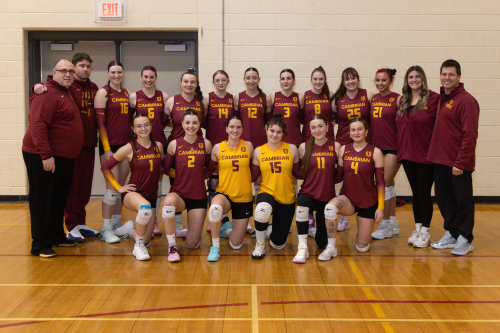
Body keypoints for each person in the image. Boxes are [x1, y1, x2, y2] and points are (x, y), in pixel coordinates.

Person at [32, 53, 101, 243]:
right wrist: (36, 86)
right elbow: (46, 89)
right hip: (69, 151)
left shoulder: (94, 88)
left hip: (88, 144)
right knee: (71, 188)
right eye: (80, 66)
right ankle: (70, 226)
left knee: (84, 189)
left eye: (88, 66)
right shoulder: (67, 87)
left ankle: (80, 222)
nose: (84, 69)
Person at [22, 59, 84, 257]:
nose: (68, 75)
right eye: (63, 71)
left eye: (71, 71)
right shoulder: (46, 94)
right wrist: (46, 155)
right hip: (44, 156)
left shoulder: (65, 92)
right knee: (43, 200)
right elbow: (37, 125)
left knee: (58, 200)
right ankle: (40, 245)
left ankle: (56, 236)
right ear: (53, 72)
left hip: (62, 158)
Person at [427, 59, 479, 256]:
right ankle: (452, 233)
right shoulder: (443, 97)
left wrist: (461, 162)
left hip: (458, 164)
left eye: (451, 74)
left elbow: (470, 135)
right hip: (440, 161)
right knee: (444, 199)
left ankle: (465, 238)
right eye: (443, 74)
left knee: (462, 201)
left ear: (458, 76)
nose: (446, 78)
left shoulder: (466, 101)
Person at [101, 114, 163, 260]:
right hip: (133, 193)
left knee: (146, 240)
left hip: (151, 195)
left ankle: (130, 230)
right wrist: (118, 187)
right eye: (139, 126)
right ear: (133, 129)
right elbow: (105, 167)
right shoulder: (128, 148)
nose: (143, 128)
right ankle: (138, 247)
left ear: (151, 126)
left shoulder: (158, 146)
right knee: (145, 208)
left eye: (146, 125)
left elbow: (163, 168)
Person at [325, 118, 385, 254]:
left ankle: (363, 230)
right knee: (330, 208)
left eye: (359, 129)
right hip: (348, 199)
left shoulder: (376, 152)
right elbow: (338, 176)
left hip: (368, 201)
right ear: (349, 133)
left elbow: (381, 183)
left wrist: (380, 207)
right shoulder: (344, 149)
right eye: (353, 130)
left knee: (361, 248)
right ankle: (331, 247)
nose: (356, 132)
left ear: (366, 132)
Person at [396, 66, 440, 248]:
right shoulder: (403, 101)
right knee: (415, 193)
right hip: (407, 155)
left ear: (423, 78)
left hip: (426, 155)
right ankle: (418, 228)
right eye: (410, 77)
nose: (414, 80)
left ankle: (426, 232)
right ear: (407, 80)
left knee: (423, 193)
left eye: (417, 76)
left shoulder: (434, 98)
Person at [161, 110, 212, 262]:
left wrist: (197, 176)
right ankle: (172, 245)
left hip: (198, 197)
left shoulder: (206, 144)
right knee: (168, 202)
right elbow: (165, 169)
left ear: (199, 125)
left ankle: (190, 232)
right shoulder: (174, 144)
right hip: (179, 193)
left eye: (194, 122)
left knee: (192, 244)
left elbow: (209, 169)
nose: (191, 126)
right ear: (182, 124)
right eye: (187, 122)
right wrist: (182, 176)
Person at [163, 69, 208, 237]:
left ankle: (192, 224)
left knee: (195, 186)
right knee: (176, 187)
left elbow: (207, 123)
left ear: (196, 84)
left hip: (197, 149)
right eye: (186, 81)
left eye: (192, 82)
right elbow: (161, 124)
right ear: (181, 83)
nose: (189, 85)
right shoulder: (171, 101)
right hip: (177, 150)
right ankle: (178, 226)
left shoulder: (202, 101)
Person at [250, 114, 301, 259]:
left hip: (287, 197)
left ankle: (270, 231)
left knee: (278, 244)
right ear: (266, 130)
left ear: (283, 134)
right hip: (267, 192)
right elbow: (253, 177)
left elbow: (299, 173)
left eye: (279, 132)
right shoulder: (259, 151)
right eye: (272, 130)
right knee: (261, 209)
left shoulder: (292, 149)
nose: (275, 134)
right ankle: (259, 245)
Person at [204, 116, 254, 261]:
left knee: (236, 244)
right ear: (226, 129)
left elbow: (255, 169)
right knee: (215, 208)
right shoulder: (218, 148)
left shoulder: (249, 146)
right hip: (224, 193)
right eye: (232, 127)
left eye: (238, 127)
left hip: (244, 196)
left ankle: (227, 229)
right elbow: (209, 172)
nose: (235, 130)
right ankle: (215, 246)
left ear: (242, 129)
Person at [332, 67, 374, 232]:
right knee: (346, 179)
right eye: (347, 79)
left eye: (353, 78)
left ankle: (366, 213)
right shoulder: (337, 99)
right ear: (343, 82)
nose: (350, 81)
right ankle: (344, 217)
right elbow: (332, 120)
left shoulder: (368, 94)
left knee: (364, 177)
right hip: (343, 143)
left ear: (358, 79)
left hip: (363, 143)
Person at [129, 65, 169, 237]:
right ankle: (143, 218)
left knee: (157, 182)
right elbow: (130, 121)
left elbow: (165, 119)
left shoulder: (164, 96)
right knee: (144, 182)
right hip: (142, 145)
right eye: (145, 76)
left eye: (151, 77)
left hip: (158, 142)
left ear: (156, 78)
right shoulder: (133, 97)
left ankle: (154, 222)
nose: (148, 80)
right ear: (141, 77)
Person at [94, 60, 131, 243]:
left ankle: (117, 223)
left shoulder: (126, 93)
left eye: (119, 72)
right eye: (113, 72)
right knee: (111, 188)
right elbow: (100, 125)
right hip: (110, 147)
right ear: (108, 73)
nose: (116, 75)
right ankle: (106, 227)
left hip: (125, 147)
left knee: (121, 186)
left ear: (123, 73)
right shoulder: (103, 93)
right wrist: (107, 150)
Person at [295, 115, 340, 263]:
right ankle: (302, 247)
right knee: (301, 205)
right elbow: (299, 172)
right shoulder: (303, 147)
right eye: (313, 127)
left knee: (321, 244)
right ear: (309, 130)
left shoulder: (336, 146)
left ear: (327, 127)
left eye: (320, 126)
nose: (317, 130)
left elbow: (339, 174)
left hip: (326, 196)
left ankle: (316, 232)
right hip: (308, 192)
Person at [369, 68, 402, 240]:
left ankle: (385, 224)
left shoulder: (397, 99)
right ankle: (393, 223)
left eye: (384, 80)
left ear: (391, 81)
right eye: (377, 80)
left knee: (383, 184)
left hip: (392, 147)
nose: (380, 83)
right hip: (376, 147)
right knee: (388, 186)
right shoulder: (373, 98)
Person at [204, 70, 235, 232]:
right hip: (213, 146)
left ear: (228, 81)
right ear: (213, 82)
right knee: (214, 183)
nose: (221, 82)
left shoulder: (232, 99)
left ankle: (226, 218)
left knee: (228, 182)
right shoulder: (207, 99)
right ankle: (214, 219)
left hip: (230, 148)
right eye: (218, 80)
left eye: (223, 80)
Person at [302, 66, 335, 142]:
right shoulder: (304, 95)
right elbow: (301, 119)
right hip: (309, 135)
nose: (318, 82)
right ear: (311, 80)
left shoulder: (330, 95)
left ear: (325, 80)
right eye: (315, 79)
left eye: (321, 79)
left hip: (327, 136)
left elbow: (334, 119)